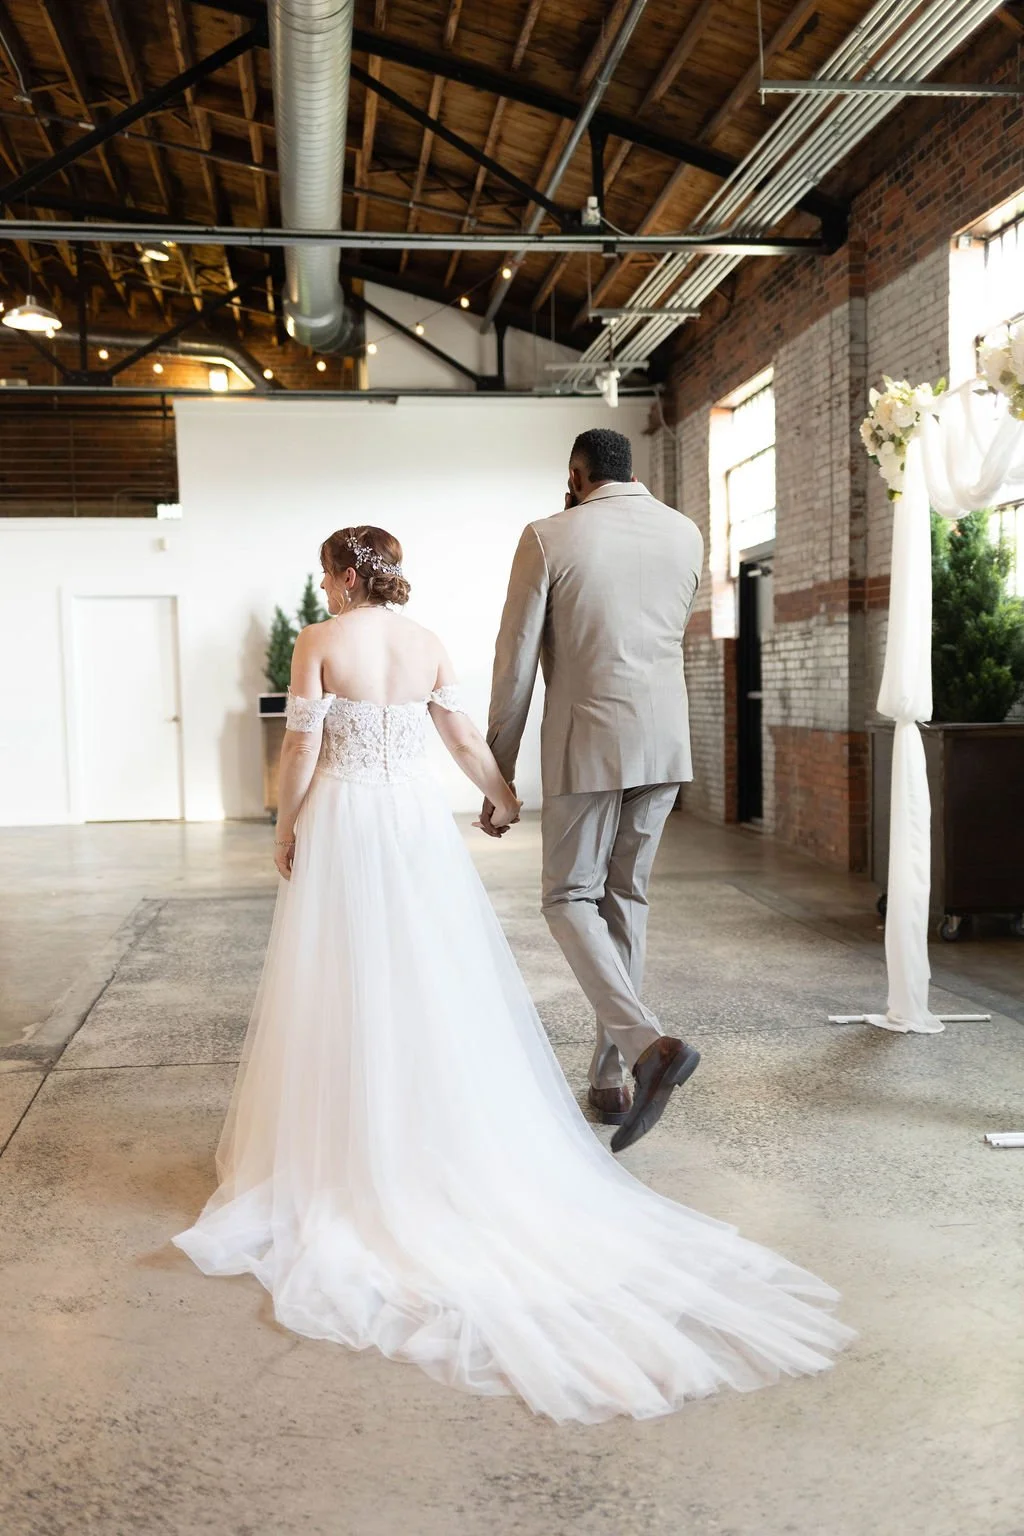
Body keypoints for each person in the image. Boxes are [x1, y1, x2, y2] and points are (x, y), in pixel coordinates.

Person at [174, 524, 852, 1423]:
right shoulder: (425, 643)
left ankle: (350, 1142)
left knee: (342, 978)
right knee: (426, 976)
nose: (327, 588)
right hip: (414, 823)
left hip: (346, 819)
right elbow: (459, 735)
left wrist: (286, 825)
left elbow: (302, 749)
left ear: (341, 575)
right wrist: (501, 794)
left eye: (327, 575)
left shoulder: (319, 642)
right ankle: (426, 1133)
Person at [485, 428, 705, 1153]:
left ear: (575, 474)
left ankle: (647, 1048)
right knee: (625, 899)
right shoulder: (685, 533)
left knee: (568, 899)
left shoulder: (550, 535)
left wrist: (497, 769)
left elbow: (515, 660)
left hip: (589, 740)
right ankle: (612, 1079)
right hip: (666, 739)